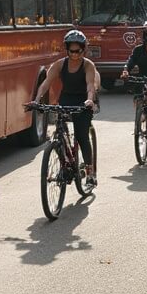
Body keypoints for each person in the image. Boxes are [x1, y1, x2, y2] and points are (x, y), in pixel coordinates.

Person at [33, 29, 99, 187]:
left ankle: (90, 173)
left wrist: (90, 100)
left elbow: (91, 85)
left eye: (79, 50)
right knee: (60, 131)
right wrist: (36, 100)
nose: (75, 54)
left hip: (83, 100)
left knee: (82, 135)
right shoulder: (60, 64)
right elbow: (46, 83)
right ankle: (64, 160)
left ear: (83, 49)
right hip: (67, 98)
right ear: (67, 49)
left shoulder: (88, 65)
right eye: (72, 50)